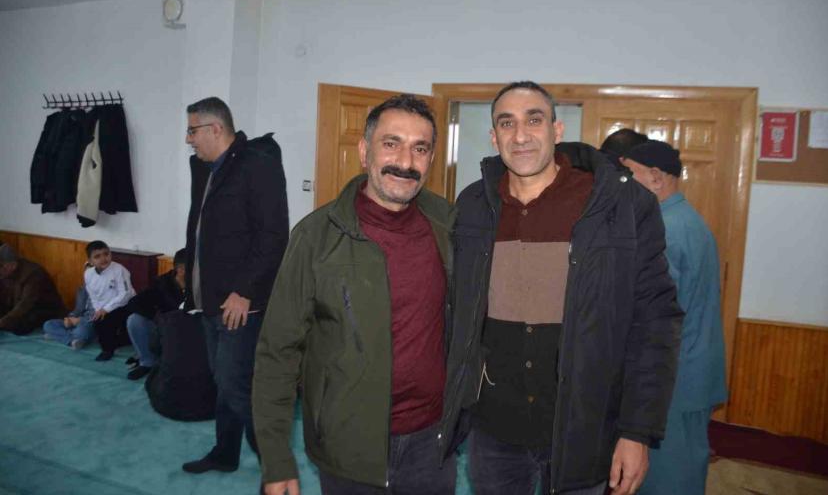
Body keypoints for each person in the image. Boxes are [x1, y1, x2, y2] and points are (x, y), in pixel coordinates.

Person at [440, 81, 683, 495]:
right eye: (507, 123)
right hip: (494, 431)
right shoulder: (473, 207)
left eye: (534, 120)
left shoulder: (617, 205)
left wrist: (636, 432)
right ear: (494, 137)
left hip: (584, 429)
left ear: (557, 130)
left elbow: (654, 322)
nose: (520, 135)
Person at [253, 94, 455, 495]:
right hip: (347, 444)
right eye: (391, 143)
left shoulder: (450, 226)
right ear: (364, 152)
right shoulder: (314, 237)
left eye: (420, 148)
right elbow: (278, 351)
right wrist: (276, 459)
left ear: (431, 159)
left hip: (433, 443)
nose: (405, 161)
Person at [182, 97, 289, 474]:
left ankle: (276, 467)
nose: (188, 139)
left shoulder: (257, 165)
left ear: (215, 128)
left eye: (192, 130)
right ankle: (225, 453)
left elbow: (273, 236)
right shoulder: (205, 169)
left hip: (241, 303)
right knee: (224, 383)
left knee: (237, 386)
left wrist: (245, 291)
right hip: (210, 300)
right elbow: (204, 231)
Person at [621, 141, 727, 495]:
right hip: (692, 369)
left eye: (629, 175)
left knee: (667, 479)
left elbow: (656, 317)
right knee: (685, 467)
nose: (623, 185)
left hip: (674, 378)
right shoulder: (686, 219)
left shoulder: (663, 230)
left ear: (655, 177)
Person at [124, 248, 187, 381]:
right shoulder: (162, 283)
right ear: (181, 270)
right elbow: (134, 303)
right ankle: (147, 362)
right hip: (167, 328)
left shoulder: (203, 284)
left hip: (191, 330)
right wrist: (158, 318)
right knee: (135, 320)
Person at [85, 240, 136, 361]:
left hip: (126, 304)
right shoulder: (88, 274)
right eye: (97, 256)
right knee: (98, 320)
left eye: (106, 254)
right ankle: (110, 345)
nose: (103, 258)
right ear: (90, 261)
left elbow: (125, 294)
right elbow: (92, 295)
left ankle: (109, 350)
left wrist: (106, 309)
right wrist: (98, 310)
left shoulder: (119, 270)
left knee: (107, 321)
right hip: (104, 307)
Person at [0, 243, 65, 334]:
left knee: (18, 324)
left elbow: (25, 304)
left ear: (12, 265)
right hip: (16, 306)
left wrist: (3, 322)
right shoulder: (5, 273)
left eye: (1, 266)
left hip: (40, 309)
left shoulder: (33, 274)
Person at [43, 272, 96, 349]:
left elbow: (99, 316)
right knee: (48, 324)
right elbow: (78, 309)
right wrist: (70, 318)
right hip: (75, 323)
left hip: (90, 323)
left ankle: (59, 336)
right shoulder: (82, 290)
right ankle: (72, 340)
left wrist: (79, 320)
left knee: (81, 331)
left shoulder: (104, 292)